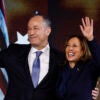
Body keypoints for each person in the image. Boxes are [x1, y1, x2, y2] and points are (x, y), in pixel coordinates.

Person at [0, 14, 99, 100]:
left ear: (47, 31)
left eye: (35, 28)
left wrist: (89, 90)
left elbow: (76, 83)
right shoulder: (14, 52)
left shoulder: (62, 59)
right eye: (29, 28)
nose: (31, 32)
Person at [56, 17, 100, 100]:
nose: (70, 49)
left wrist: (90, 38)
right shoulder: (61, 68)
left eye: (74, 46)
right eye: (67, 45)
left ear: (83, 51)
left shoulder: (89, 67)